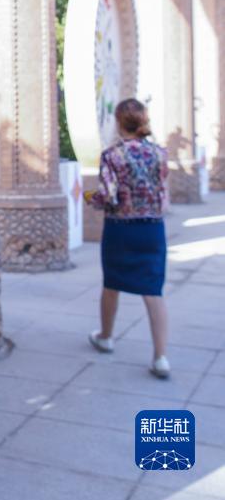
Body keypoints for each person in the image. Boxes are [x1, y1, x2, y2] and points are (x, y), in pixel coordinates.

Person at [84, 98, 170, 379]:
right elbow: (163, 193)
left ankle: (106, 337)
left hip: (120, 229)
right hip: (152, 229)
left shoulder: (112, 155)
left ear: (119, 122)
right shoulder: (159, 153)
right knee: (153, 291)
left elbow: (108, 195)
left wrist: (91, 198)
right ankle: (160, 358)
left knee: (112, 284)